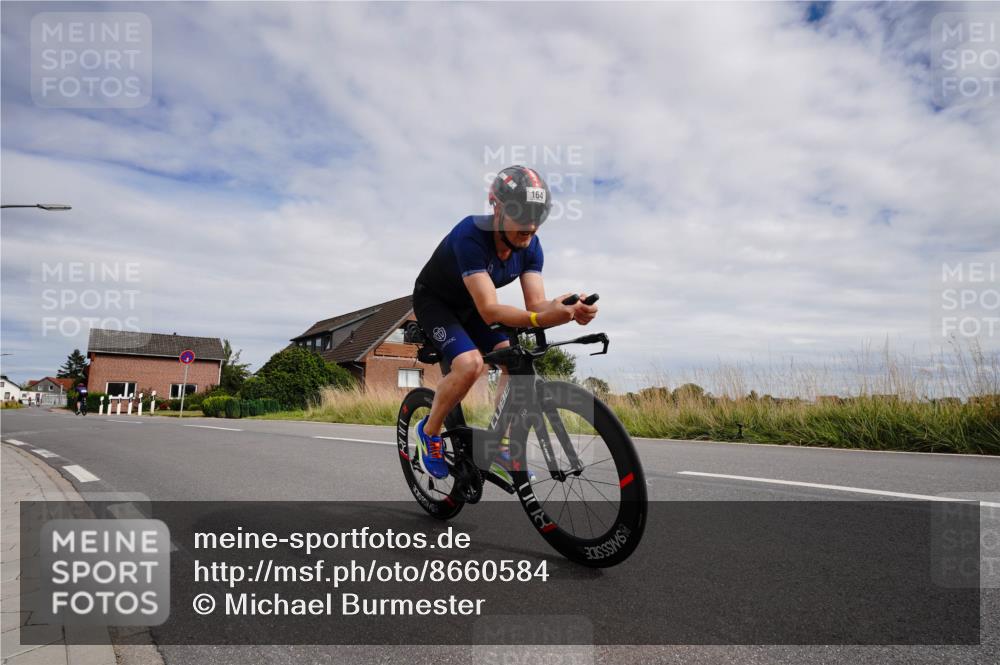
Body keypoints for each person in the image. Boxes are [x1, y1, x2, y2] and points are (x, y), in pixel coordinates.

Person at [411, 165, 598, 480]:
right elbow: (489, 310)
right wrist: (542, 317)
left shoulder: (531, 246)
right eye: (522, 214)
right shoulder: (470, 235)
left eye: (537, 215)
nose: (530, 226)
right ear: (496, 208)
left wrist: (565, 308)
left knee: (514, 357)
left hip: (471, 307)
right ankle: (428, 432)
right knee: (470, 365)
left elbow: (535, 304)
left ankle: (500, 444)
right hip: (437, 303)